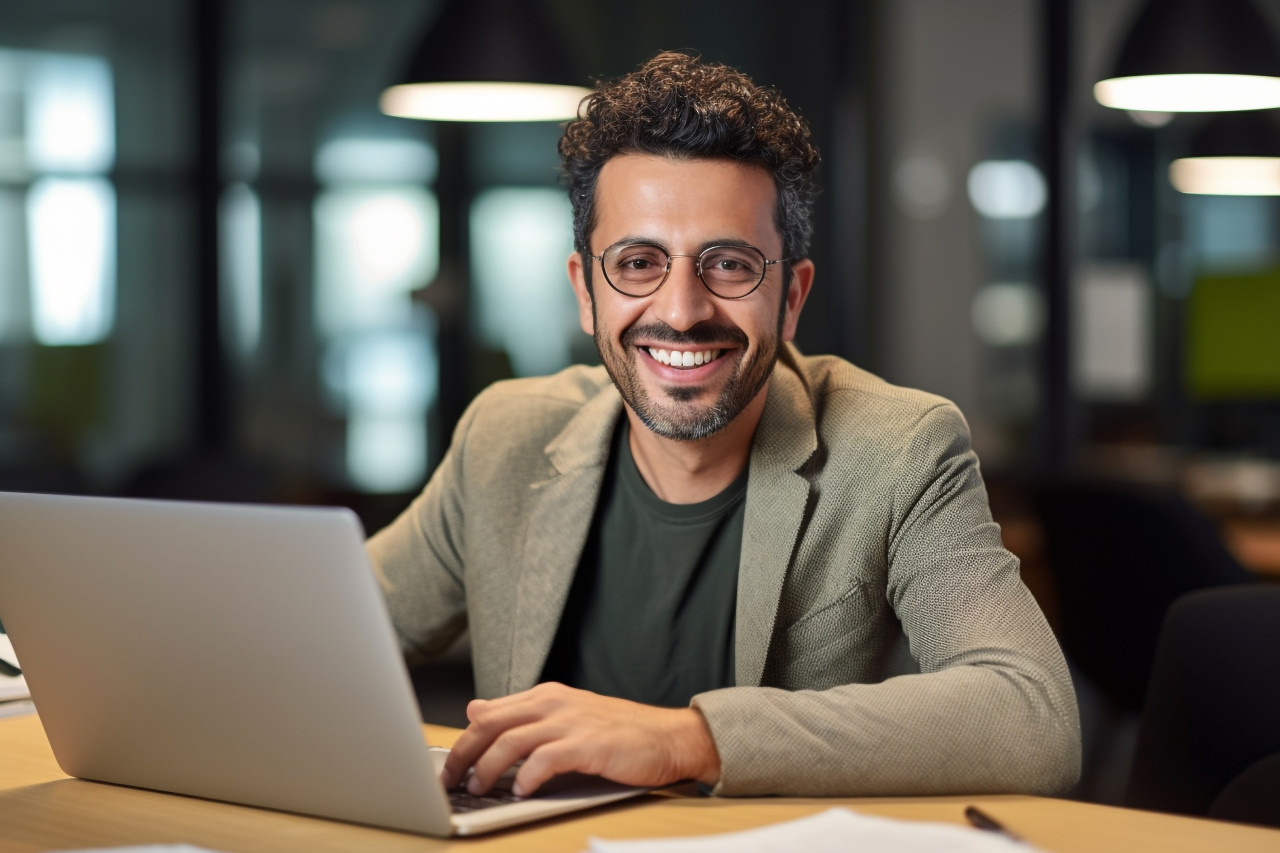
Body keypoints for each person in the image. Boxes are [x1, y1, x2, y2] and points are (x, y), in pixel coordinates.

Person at [367, 50, 1080, 800]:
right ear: (585, 291)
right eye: (638, 262)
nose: (681, 310)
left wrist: (687, 738)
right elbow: (309, 637)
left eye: (730, 264)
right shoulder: (505, 438)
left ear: (791, 296)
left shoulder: (902, 451)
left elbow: (1031, 717)